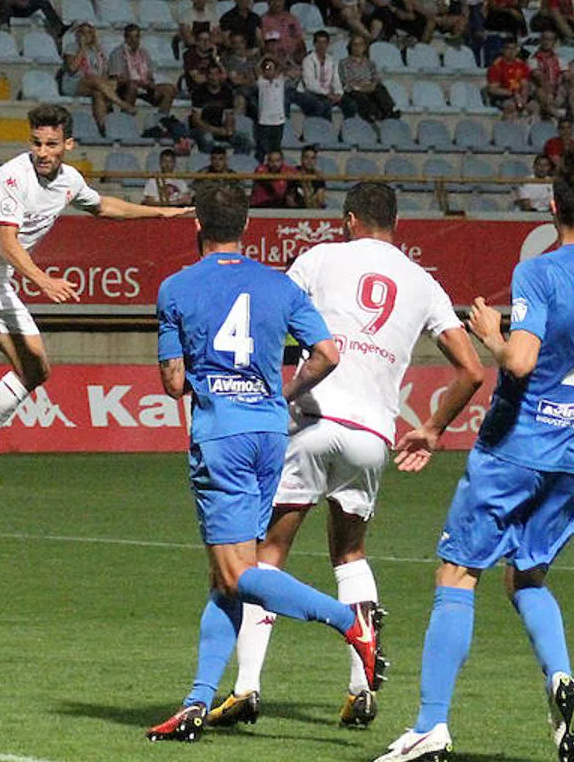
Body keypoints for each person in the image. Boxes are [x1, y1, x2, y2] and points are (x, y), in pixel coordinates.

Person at [372, 146, 574, 762]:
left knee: (458, 574)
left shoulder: (540, 272)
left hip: (517, 447)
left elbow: (520, 362)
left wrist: (490, 335)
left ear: (554, 205)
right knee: (527, 576)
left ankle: (430, 725)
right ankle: (560, 676)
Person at [207, 182, 483, 731]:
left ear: (350, 218)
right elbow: (473, 370)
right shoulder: (423, 282)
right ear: (395, 223)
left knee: (268, 553)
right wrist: (430, 428)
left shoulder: (321, 257)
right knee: (350, 553)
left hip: (313, 421)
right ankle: (362, 689)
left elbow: (267, 317)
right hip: (373, 436)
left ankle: (246, 687)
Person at [145, 181, 388, 744]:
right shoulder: (278, 285)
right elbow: (329, 352)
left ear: (197, 226)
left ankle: (350, 622)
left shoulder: (177, 287)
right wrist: (285, 390)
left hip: (222, 437)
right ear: (246, 227)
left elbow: (173, 380)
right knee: (225, 580)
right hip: (269, 434)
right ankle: (197, 702)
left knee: (238, 572)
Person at [0, 104, 192, 486]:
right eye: (37, 143)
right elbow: (7, 243)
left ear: (68, 143)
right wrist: (43, 280)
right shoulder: (12, 177)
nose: (43, 151)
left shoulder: (69, 180)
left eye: (52, 144)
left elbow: (104, 206)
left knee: (36, 367)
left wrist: (162, 214)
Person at [59, 22, 133, 136]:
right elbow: (72, 68)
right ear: (78, 35)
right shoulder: (72, 47)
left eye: (89, 32)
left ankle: (103, 128)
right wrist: (82, 48)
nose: (86, 35)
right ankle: (122, 104)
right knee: (94, 79)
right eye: (82, 32)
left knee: (98, 93)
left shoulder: (97, 51)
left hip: (94, 84)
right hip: (74, 83)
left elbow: (104, 73)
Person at [109, 24, 177, 117]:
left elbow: (150, 76)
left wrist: (150, 83)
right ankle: (126, 119)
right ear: (125, 38)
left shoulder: (144, 53)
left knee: (169, 89)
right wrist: (138, 82)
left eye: (137, 37)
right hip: (124, 89)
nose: (134, 40)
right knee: (132, 86)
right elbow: (117, 79)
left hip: (144, 87)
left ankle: (161, 120)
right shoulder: (117, 53)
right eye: (131, 37)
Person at [338, 34, 398, 122]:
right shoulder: (344, 63)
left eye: (360, 44)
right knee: (359, 95)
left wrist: (370, 86)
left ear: (364, 47)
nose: (358, 47)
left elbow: (375, 78)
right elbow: (347, 81)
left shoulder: (370, 63)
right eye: (355, 45)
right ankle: (373, 115)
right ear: (350, 47)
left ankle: (390, 112)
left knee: (380, 89)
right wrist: (362, 87)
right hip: (355, 90)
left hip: (369, 88)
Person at [190, 64, 246, 153]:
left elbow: (229, 116)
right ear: (207, 76)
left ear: (220, 75)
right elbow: (196, 120)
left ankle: (237, 165)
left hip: (220, 127)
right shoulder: (199, 92)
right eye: (211, 74)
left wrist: (229, 129)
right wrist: (216, 130)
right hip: (201, 129)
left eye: (216, 74)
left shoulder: (227, 91)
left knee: (242, 139)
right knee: (207, 139)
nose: (213, 77)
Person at [485, 36, 537, 119]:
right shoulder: (496, 66)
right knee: (511, 106)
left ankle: (530, 129)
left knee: (535, 107)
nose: (511, 52)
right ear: (502, 50)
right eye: (508, 48)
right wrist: (513, 94)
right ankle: (508, 130)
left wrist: (523, 98)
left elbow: (525, 84)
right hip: (503, 97)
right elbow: (493, 89)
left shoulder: (522, 65)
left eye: (514, 49)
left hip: (519, 96)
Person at [299, 30, 342, 121]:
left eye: (324, 43)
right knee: (323, 104)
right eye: (319, 42)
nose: (321, 46)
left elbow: (336, 79)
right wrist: (327, 94)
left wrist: (339, 93)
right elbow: (310, 84)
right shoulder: (308, 60)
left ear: (328, 44)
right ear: (314, 44)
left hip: (327, 93)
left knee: (349, 103)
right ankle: (314, 129)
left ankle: (341, 132)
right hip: (309, 92)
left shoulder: (332, 60)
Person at [529, 30, 568, 121]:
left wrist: (561, 83)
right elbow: (538, 77)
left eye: (550, 39)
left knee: (572, 84)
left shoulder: (559, 58)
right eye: (545, 39)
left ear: (554, 42)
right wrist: (550, 92)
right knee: (539, 90)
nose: (547, 42)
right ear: (541, 40)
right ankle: (553, 111)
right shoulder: (534, 58)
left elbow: (566, 75)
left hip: (557, 88)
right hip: (541, 89)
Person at [285, 144, 326, 209]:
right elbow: (289, 199)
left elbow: (321, 200)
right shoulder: (293, 174)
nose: (309, 161)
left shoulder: (318, 176)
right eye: (306, 157)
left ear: (315, 161)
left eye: (313, 158)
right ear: (301, 159)